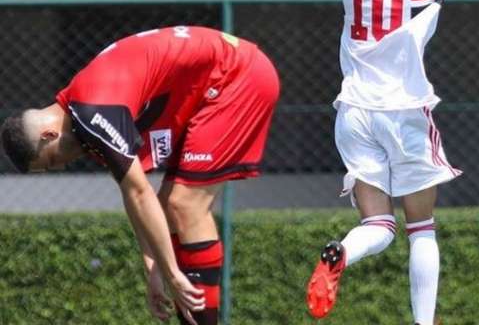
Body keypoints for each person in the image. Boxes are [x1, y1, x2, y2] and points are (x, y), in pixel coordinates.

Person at [305, 0, 479, 325]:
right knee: (421, 228)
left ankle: (342, 253)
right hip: (405, 110)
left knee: (377, 224)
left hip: (353, 109)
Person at [0, 26, 280, 325]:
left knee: (184, 205)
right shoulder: (84, 115)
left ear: (48, 134)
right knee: (170, 204)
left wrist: (171, 272)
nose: (61, 166)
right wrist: (154, 268)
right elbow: (135, 197)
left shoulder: (95, 112)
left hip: (239, 75)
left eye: (53, 160)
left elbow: (138, 192)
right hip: (217, 79)